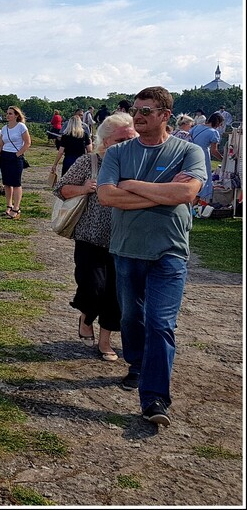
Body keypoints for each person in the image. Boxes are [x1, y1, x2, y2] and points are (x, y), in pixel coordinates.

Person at [97, 86, 205, 427]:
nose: (139, 115)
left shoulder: (189, 151)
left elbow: (187, 191)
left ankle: (155, 398)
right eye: (137, 110)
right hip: (127, 249)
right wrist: (164, 196)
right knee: (131, 318)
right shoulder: (118, 153)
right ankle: (138, 364)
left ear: (164, 115)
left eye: (147, 110)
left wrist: (131, 185)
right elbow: (106, 197)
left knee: (160, 323)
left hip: (169, 252)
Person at [53, 113, 137, 362]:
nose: (127, 144)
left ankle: (105, 342)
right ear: (106, 140)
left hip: (123, 240)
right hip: (90, 238)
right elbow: (61, 190)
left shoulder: (133, 164)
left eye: (131, 138)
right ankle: (86, 316)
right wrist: (84, 188)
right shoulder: (88, 162)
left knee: (115, 296)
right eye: (122, 139)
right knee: (93, 289)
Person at [0, 105, 31, 219]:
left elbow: (27, 142)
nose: (8, 115)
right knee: (7, 183)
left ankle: (16, 207)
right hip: (5, 155)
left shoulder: (21, 126)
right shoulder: (4, 128)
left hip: (15, 156)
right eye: (7, 113)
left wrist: (18, 154)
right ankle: (9, 205)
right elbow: (0, 144)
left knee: (16, 183)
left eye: (10, 113)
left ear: (16, 115)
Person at [189, 112, 224, 212]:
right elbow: (214, 151)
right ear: (218, 123)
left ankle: (191, 202)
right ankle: (198, 203)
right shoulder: (213, 132)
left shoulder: (197, 127)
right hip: (203, 155)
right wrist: (222, 159)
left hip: (191, 154)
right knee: (205, 179)